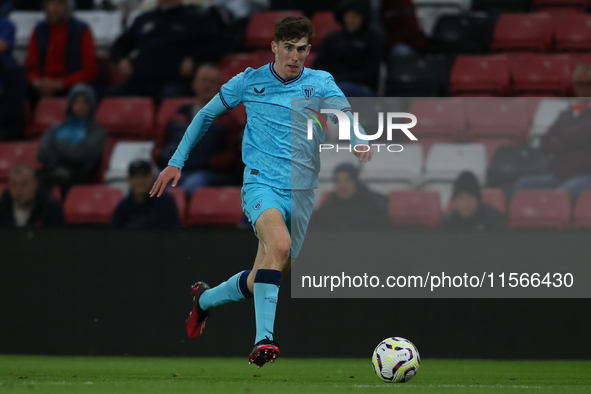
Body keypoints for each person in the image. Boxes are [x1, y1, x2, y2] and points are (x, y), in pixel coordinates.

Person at [149, 16, 373, 367]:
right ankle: (264, 341)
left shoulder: (320, 82)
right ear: (274, 47)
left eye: (301, 49)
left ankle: (204, 301)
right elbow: (205, 116)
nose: (294, 56)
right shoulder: (249, 81)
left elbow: (344, 115)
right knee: (279, 246)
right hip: (260, 183)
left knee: (266, 274)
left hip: (302, 190)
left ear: (308, 50)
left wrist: (358, 140)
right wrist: (176, 162)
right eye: (288, 48)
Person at [107, 0, 227, 103]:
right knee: (110, 95)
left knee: (170, 97)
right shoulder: (144, 19)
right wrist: (121, 59)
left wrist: (194, 58)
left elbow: (220, 43)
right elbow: (119, 45)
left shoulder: (195, 18)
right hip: (140, 82)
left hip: (174, 82)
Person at [157, 64, 243, 195]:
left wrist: (206, 161)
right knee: (153, 183)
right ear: (194, 84)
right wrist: (163, 156)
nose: (207, 86)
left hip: (204, 172)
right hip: (173, 166)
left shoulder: (228, 121)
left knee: (190, 188)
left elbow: (233, 155)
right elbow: (159, 146)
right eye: (203, 80)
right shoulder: (177, 115)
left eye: (212, 82)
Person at [514, 64, 591, 203]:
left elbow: (582, 135)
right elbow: (545, 143)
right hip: (558, 175)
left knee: (561, 194)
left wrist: (561, 134)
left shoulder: (568, 118)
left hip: (585, 176)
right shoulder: (565, 113)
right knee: (522, 185)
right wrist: (573, 142)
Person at [37, 83, 105, 197]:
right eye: (77, 102)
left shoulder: (97, 132)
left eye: (85, 102)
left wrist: (56, 144)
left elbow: (80, 155)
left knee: (64, 178)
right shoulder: (55, 128)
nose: (81, 106)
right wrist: (63, 159)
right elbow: (42, 154)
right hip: (53, 170)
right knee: (30, 179)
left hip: (79, 176)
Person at [24, 0, 97, 102]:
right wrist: (37, 82)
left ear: (68, 5)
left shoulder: (81, 30)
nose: (54, 7)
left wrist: (62, 83)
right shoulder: (39, 30)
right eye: (51, 3)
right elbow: (30, 66)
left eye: (60, 3)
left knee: (83, 93)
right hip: (41, 86)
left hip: (71, 86)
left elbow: (90, 70)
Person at [313, 0, 381, 96]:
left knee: (339, 91)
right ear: (342, 16)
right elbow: (318, 66)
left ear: (363, 17)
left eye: (356, 16)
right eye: (348, 15)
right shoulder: (331, 39)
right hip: (332, 84)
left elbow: (370, 73)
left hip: (361, 86)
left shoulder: (371, 40)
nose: (351, 19)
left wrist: (340, 79)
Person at [312, 163, 390, 230]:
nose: (342, 186)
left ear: (355, 182)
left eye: (347, 180)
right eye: (338, 181)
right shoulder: (326, 210)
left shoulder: (375, 205)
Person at [112, 159, 181, 228]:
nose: (140, 181)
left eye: (144, 176)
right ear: (128, 179)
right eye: (135, 177)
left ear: (153, 177)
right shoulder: (124, 205)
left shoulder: (165, 201)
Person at [0, 164, 64, 227]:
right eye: (14, 184)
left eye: (24, 184)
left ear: (35, 184)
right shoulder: (2, 208)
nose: (19, 189)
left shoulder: (51, 209)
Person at [440, 171, 507, 231]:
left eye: (470, 196)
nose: (465, 203)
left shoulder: (495, 220)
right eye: (461, 198)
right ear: (454, 201)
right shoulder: (447, 223)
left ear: (478, 199)